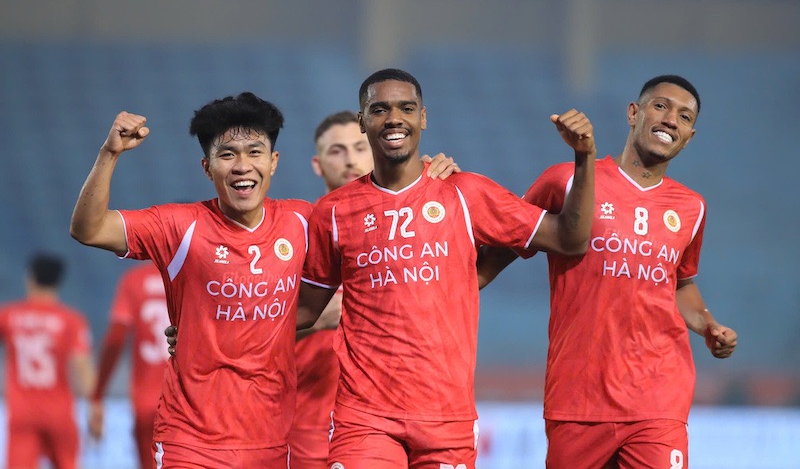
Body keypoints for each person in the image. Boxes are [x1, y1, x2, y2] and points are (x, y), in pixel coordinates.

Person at [71, 92, 458, 469]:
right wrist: (109, 154)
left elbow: (389, 242)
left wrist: (427, 181)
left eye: (254, 152)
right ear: (207, 168)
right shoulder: (178, 226)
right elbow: (89, 230)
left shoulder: (302, 222)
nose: (242, 166)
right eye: (227, 154)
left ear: (273, 162)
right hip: (190, 440)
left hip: (271, 443)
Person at [296, 68, 597, 468]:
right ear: (363, 120)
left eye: (406, 108)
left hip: (446, 421)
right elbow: (302, 309)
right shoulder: (332, 212)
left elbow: (570, 240)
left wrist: (584, 156)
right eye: (380, 109)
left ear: (423, 117)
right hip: (364, 418)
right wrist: (206, 325)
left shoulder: (463, 191)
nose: (393, 119)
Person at [477, 75, 738, 468]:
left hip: (658, 396)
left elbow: (680, 282)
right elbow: (496, 257)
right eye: (661, 106)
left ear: (690, 136)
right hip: (578, 394)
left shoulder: (691, 208)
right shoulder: (565, 181)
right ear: (634, 113)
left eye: (684, 117)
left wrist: (707, 324)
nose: (671, 120)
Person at [289, 110, 372, 468]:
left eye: (359, 147)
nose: (351, 159)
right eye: (337, 150)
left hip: (378, 423)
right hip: (305, 421)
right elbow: (254, 332)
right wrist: (319, 320)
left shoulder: (404, 231)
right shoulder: (293, 236)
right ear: (317, 163)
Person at [0, 253, 95, 469]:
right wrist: (95, 404)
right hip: (59, 413)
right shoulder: (71, 320)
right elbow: (81, 365)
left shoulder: (9, 316)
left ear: (30, 278)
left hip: (22, 413)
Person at [88, 260, 170, 469]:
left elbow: (116, 338)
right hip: (188, 401)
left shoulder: (134, 280)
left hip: (147, 401)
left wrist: (98, 395)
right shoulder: (193, 273)